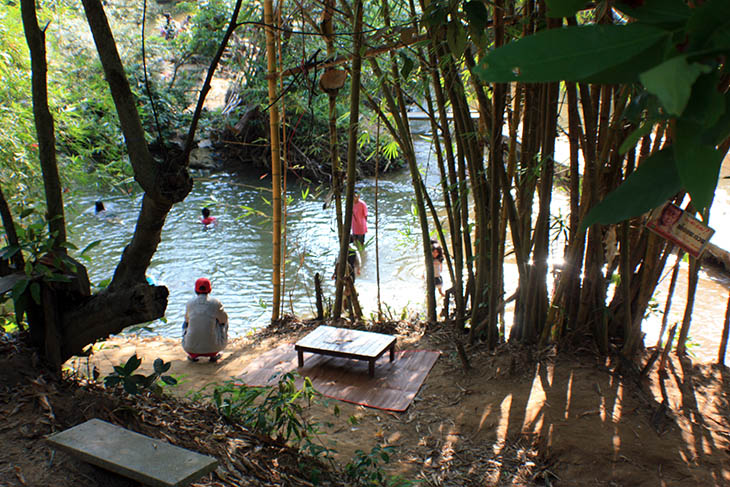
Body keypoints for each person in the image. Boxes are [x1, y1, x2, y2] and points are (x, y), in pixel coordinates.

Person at [182, 278, 228, 362]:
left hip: (190, 348)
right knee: (222, 320)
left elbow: (187, 321)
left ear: (195, 290)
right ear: (210, 290)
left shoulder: (189, 303)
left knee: (186, 322)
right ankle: (213, 355)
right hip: (213, 348)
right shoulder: (216, 303)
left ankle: (193, 356)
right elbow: (223, 321)